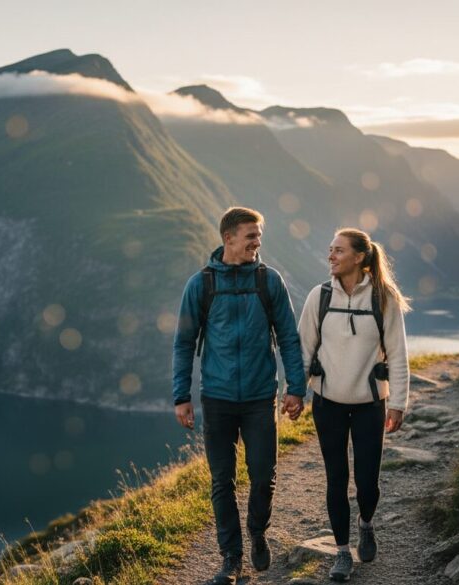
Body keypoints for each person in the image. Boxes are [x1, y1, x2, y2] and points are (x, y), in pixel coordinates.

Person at [172, 207, 306, 585]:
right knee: (222, 481)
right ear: (228, 237)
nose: (257, 242)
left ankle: (257, 531)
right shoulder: (201, 285)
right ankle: (231, 558)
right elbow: (184, 343)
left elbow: (289, 337)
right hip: (217, 398)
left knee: (263, 475)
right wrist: (181, 396)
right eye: (251, 235)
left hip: (260, 397)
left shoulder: (269, 281)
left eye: (259, 235)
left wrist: (296, 388)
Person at [283, 227, 411, 582]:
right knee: (336, 479)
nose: (331, 256)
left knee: (368, 482)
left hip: (371, 404)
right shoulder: (320, 296)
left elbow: (398, 355)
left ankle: (366, 523)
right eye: (330, 249)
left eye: (338, 250)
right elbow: (303, 349)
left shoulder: (384, 298)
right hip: (328, 404)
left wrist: (398, 403)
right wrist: (296, 392)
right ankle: (341, 552)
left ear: (359, 257)